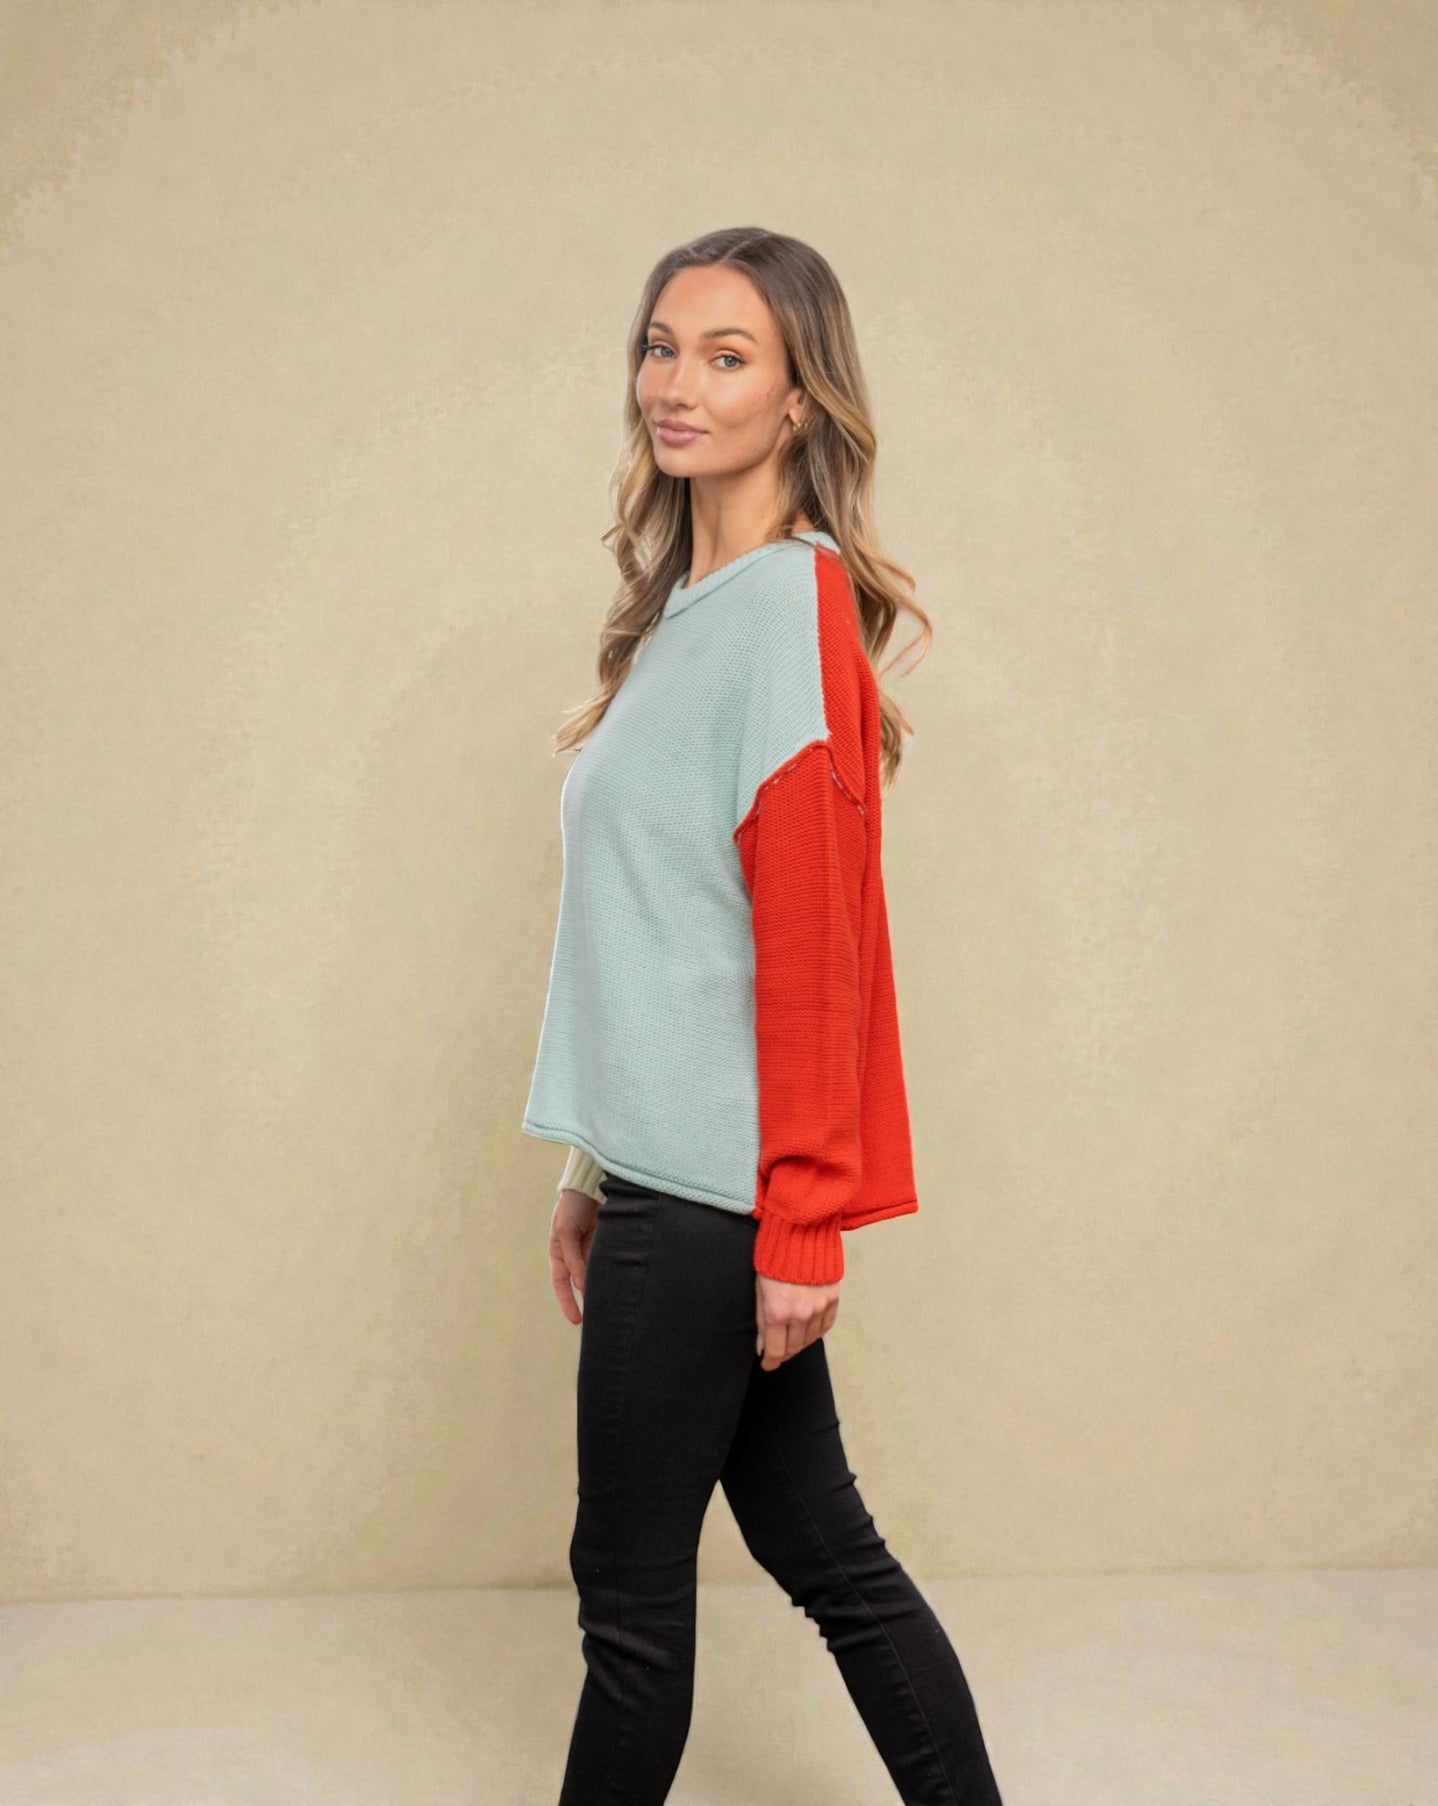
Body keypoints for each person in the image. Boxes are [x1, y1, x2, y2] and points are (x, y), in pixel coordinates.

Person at [521, 226, 1005, 1806]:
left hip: (718, 1201)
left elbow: (811, 949)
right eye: (660, 346)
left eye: (726, 356)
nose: (677, 383)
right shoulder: (685, 614)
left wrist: (801, 1218)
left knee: (627, 1600)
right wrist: (590, 1163)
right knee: (828, 1554)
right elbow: (663, 934)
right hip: (668, 1177)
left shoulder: (791, 607)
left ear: (798, 398)